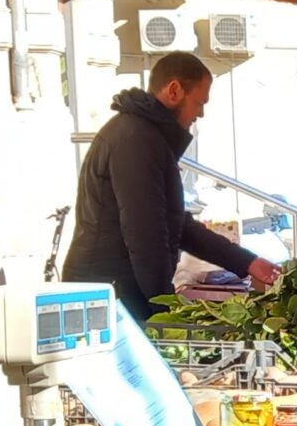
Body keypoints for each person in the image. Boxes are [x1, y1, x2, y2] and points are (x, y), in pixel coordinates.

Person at [64, 51, 278, 325]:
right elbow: (145, 232)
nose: (200, 113)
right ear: (175, 90)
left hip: (117, 287)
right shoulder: (135, 139)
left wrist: (247, 262)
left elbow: (176, 224)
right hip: (107, 292)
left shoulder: (145, 136)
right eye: (199, 102)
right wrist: (163, 308)